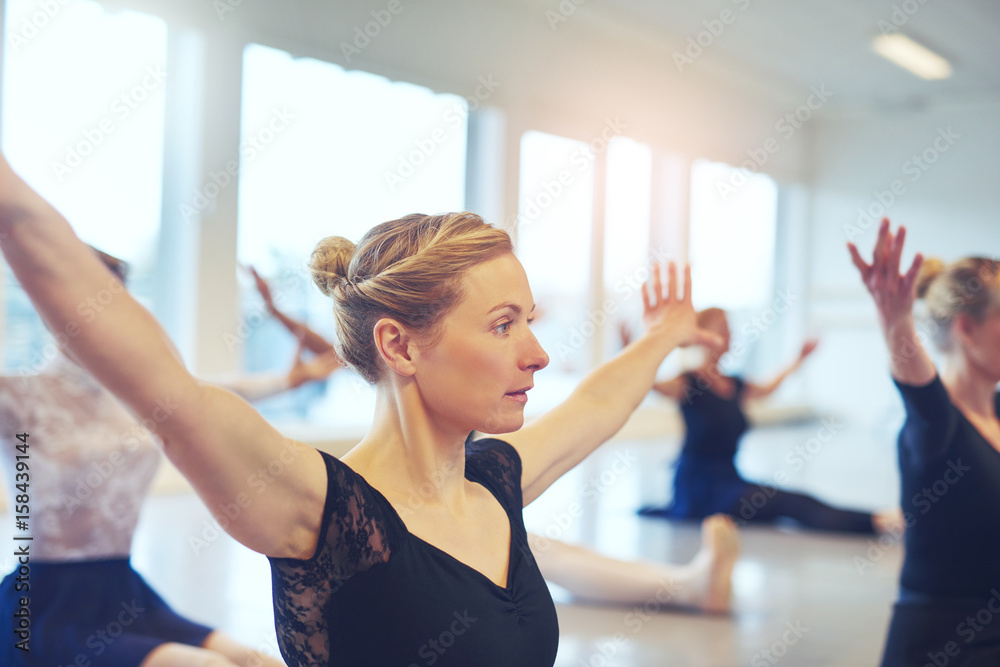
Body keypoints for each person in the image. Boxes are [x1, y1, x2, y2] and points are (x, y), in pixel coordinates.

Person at [0, 150, 724, 666]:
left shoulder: (495, 481)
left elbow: (598, 401)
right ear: (400, 346)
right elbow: (165, 386)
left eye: (530, 322)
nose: (536, 353)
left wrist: (663, 335)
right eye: (505, 324)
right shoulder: (322, 512)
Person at [0, 248, 338, 667]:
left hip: (124, 591)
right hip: (45, 604)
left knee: (255, 660)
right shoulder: (16, 395)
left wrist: (280, 334)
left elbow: (254, 383)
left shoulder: (141, 394)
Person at [848, 220, 1000, 665]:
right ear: (966, 329)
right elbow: (921, 391)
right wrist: (894, 321)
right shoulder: (939, 427)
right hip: (946, 648)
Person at [633, 308, 899, 534]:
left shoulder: (734, 384)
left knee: (796, 499)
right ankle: (878, 521)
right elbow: (647, 383)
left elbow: (770, 387)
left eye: (730, 330)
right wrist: (637, 348)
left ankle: (879, 519)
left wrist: (799, 359)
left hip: (730, 480)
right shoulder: (688, 383)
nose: (728, 336)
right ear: (700, 336)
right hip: (700, 492)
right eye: (722, 329)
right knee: (791, 504)